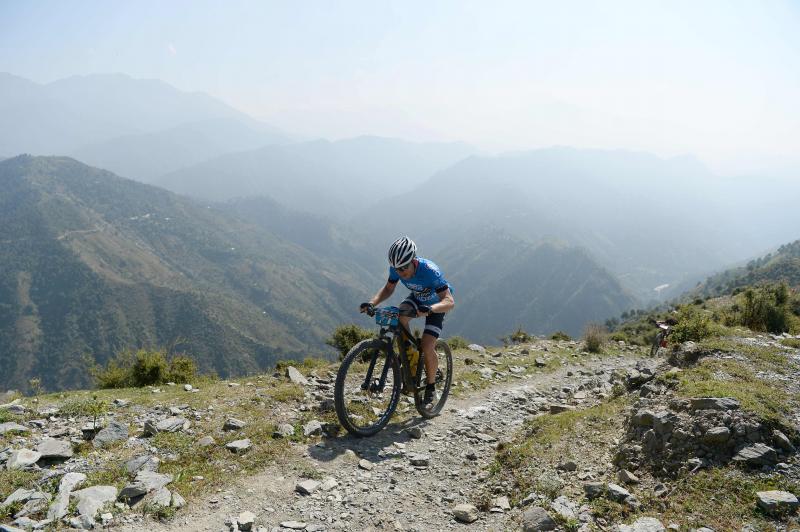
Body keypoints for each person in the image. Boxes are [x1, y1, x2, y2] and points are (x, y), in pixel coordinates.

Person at [360, 236, 455, 405]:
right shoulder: (396, 268)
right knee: (400, 317)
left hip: (436, 306)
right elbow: (389, 288)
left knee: (427, 346)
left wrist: (431, 308)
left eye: (404, 267)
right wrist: (372, 303)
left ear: (413, 260)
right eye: (397, 269)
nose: (401, 272)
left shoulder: (430, 271)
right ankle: (410, 357)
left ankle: (431, 386)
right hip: (417, 299)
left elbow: (449, 301)